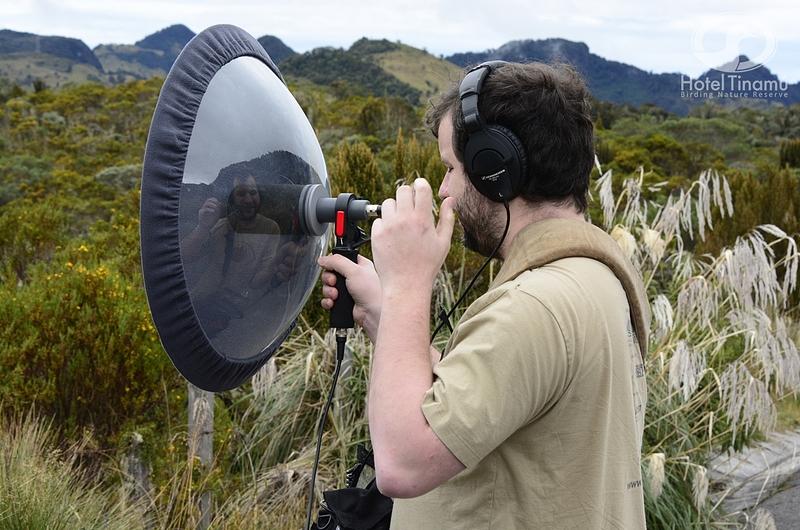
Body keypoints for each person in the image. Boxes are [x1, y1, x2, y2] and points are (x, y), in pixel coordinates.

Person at [318, 61, 650, 529]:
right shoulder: (593, 277)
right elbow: (483, 400)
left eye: (452, 168)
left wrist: (408, 283)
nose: (445, 190)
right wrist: (384, 315)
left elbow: (403, 463)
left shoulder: (533, 308)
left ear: (496, 170)